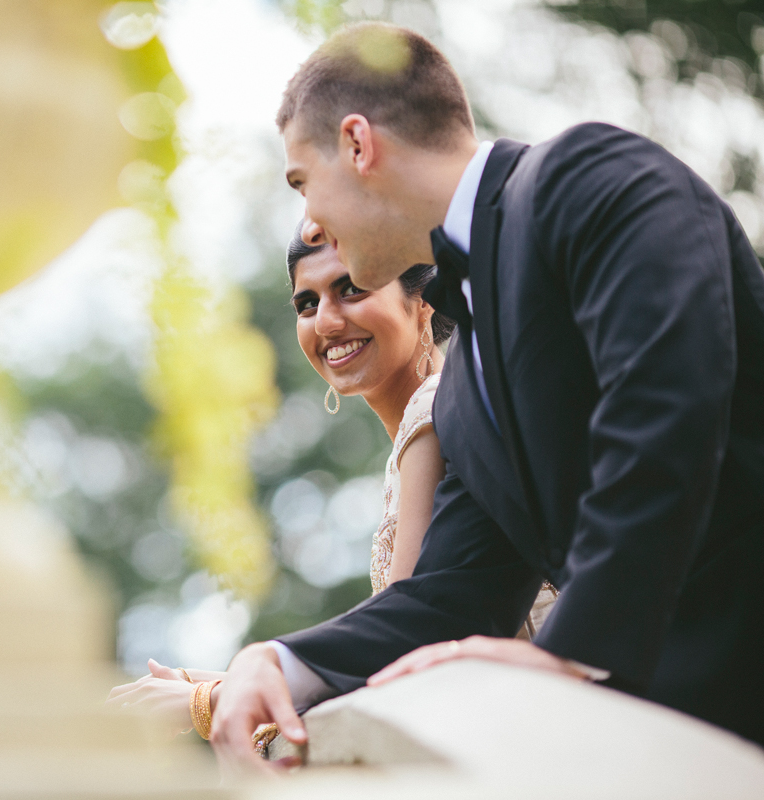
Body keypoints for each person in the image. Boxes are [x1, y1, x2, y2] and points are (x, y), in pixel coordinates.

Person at [209, 21, 764, 774]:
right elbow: (453, 596)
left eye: (302, 181)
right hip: (679, 752)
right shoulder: (463, 390)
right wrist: (277, 660)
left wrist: (574, 651)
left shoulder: (589, 177)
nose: (309, 221)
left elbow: (667, 406)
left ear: (358, 145)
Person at [107, 227, 456, 735]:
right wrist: (213, 682)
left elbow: (398, 639)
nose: (328, 322)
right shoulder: (418, 427)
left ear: (421, 301)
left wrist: (209, 700)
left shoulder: (433, 410)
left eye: (352, 289)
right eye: (307, 304)